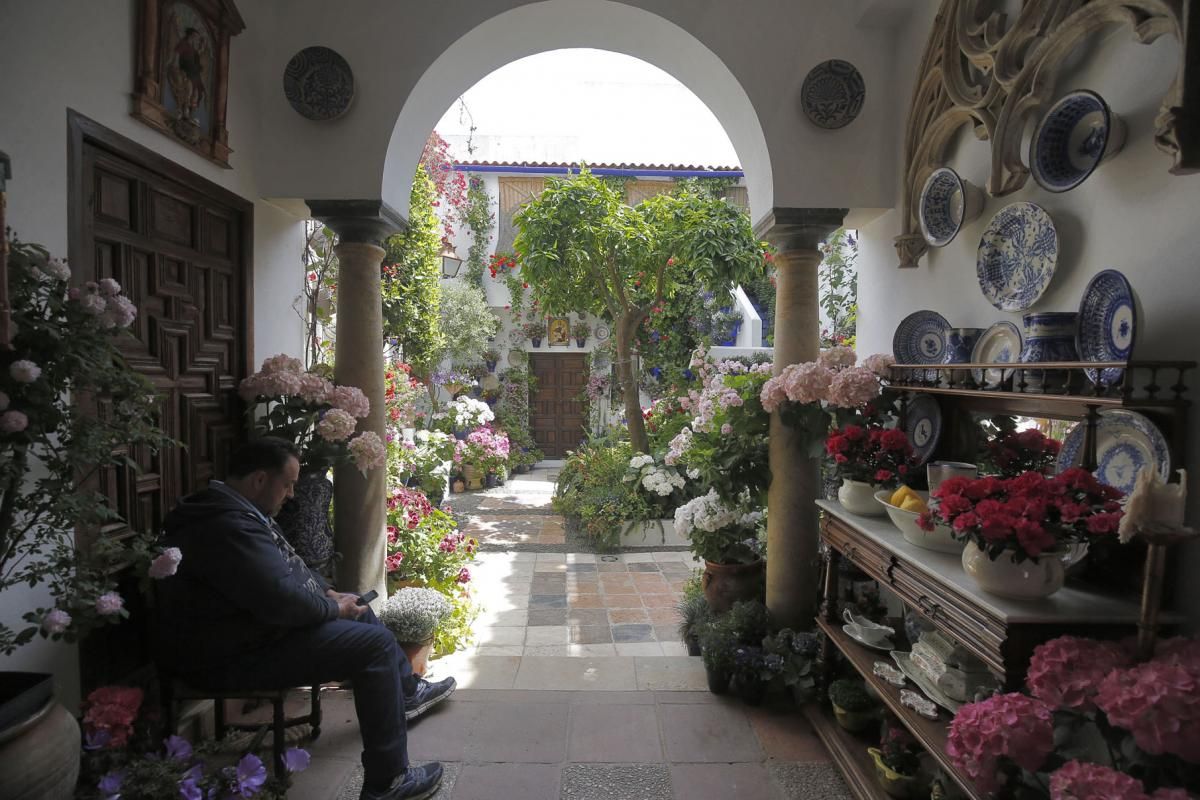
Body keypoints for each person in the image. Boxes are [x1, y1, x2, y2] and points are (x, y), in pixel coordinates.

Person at [155, 436, 453, 800]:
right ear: (260, 480)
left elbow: (285, 570)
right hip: (230, 655)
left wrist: (329, 594)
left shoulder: (239, 511)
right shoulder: (226, 526)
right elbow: (282, 601)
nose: (292, 494)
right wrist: (332, 608)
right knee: (372, 646)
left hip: (255, 633)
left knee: (356, 606)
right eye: (288, 484)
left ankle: (405, 693)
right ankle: (388, 780)